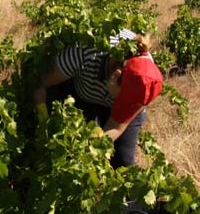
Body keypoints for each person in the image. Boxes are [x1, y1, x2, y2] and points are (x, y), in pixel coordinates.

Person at [32, 30, 163, 168]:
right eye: (119, 98)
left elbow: (115, 127)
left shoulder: (146, 82)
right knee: (67, 141)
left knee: (123, 161)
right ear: (115, 76)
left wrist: (91, 149)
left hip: (114, 100)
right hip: (84, 98)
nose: (117, 102)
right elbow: (39, 82)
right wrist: (43, 118)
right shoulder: (85, 51)